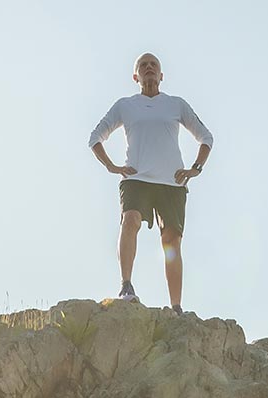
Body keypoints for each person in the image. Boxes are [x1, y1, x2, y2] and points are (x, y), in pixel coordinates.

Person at [88, 53, 213, 313]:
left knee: (171, 241)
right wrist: (112, 166)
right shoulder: (125, 105)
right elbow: (95, 138)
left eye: (153, 65)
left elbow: (206, 138)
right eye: (143, 66)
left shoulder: (176, 104)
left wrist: (195, 169)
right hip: (136, 178)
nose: (148, 68)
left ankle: (176, 307)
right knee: (130, 220)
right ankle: (126, 285)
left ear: (161, 75)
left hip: (172, 183)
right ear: (135, 76)